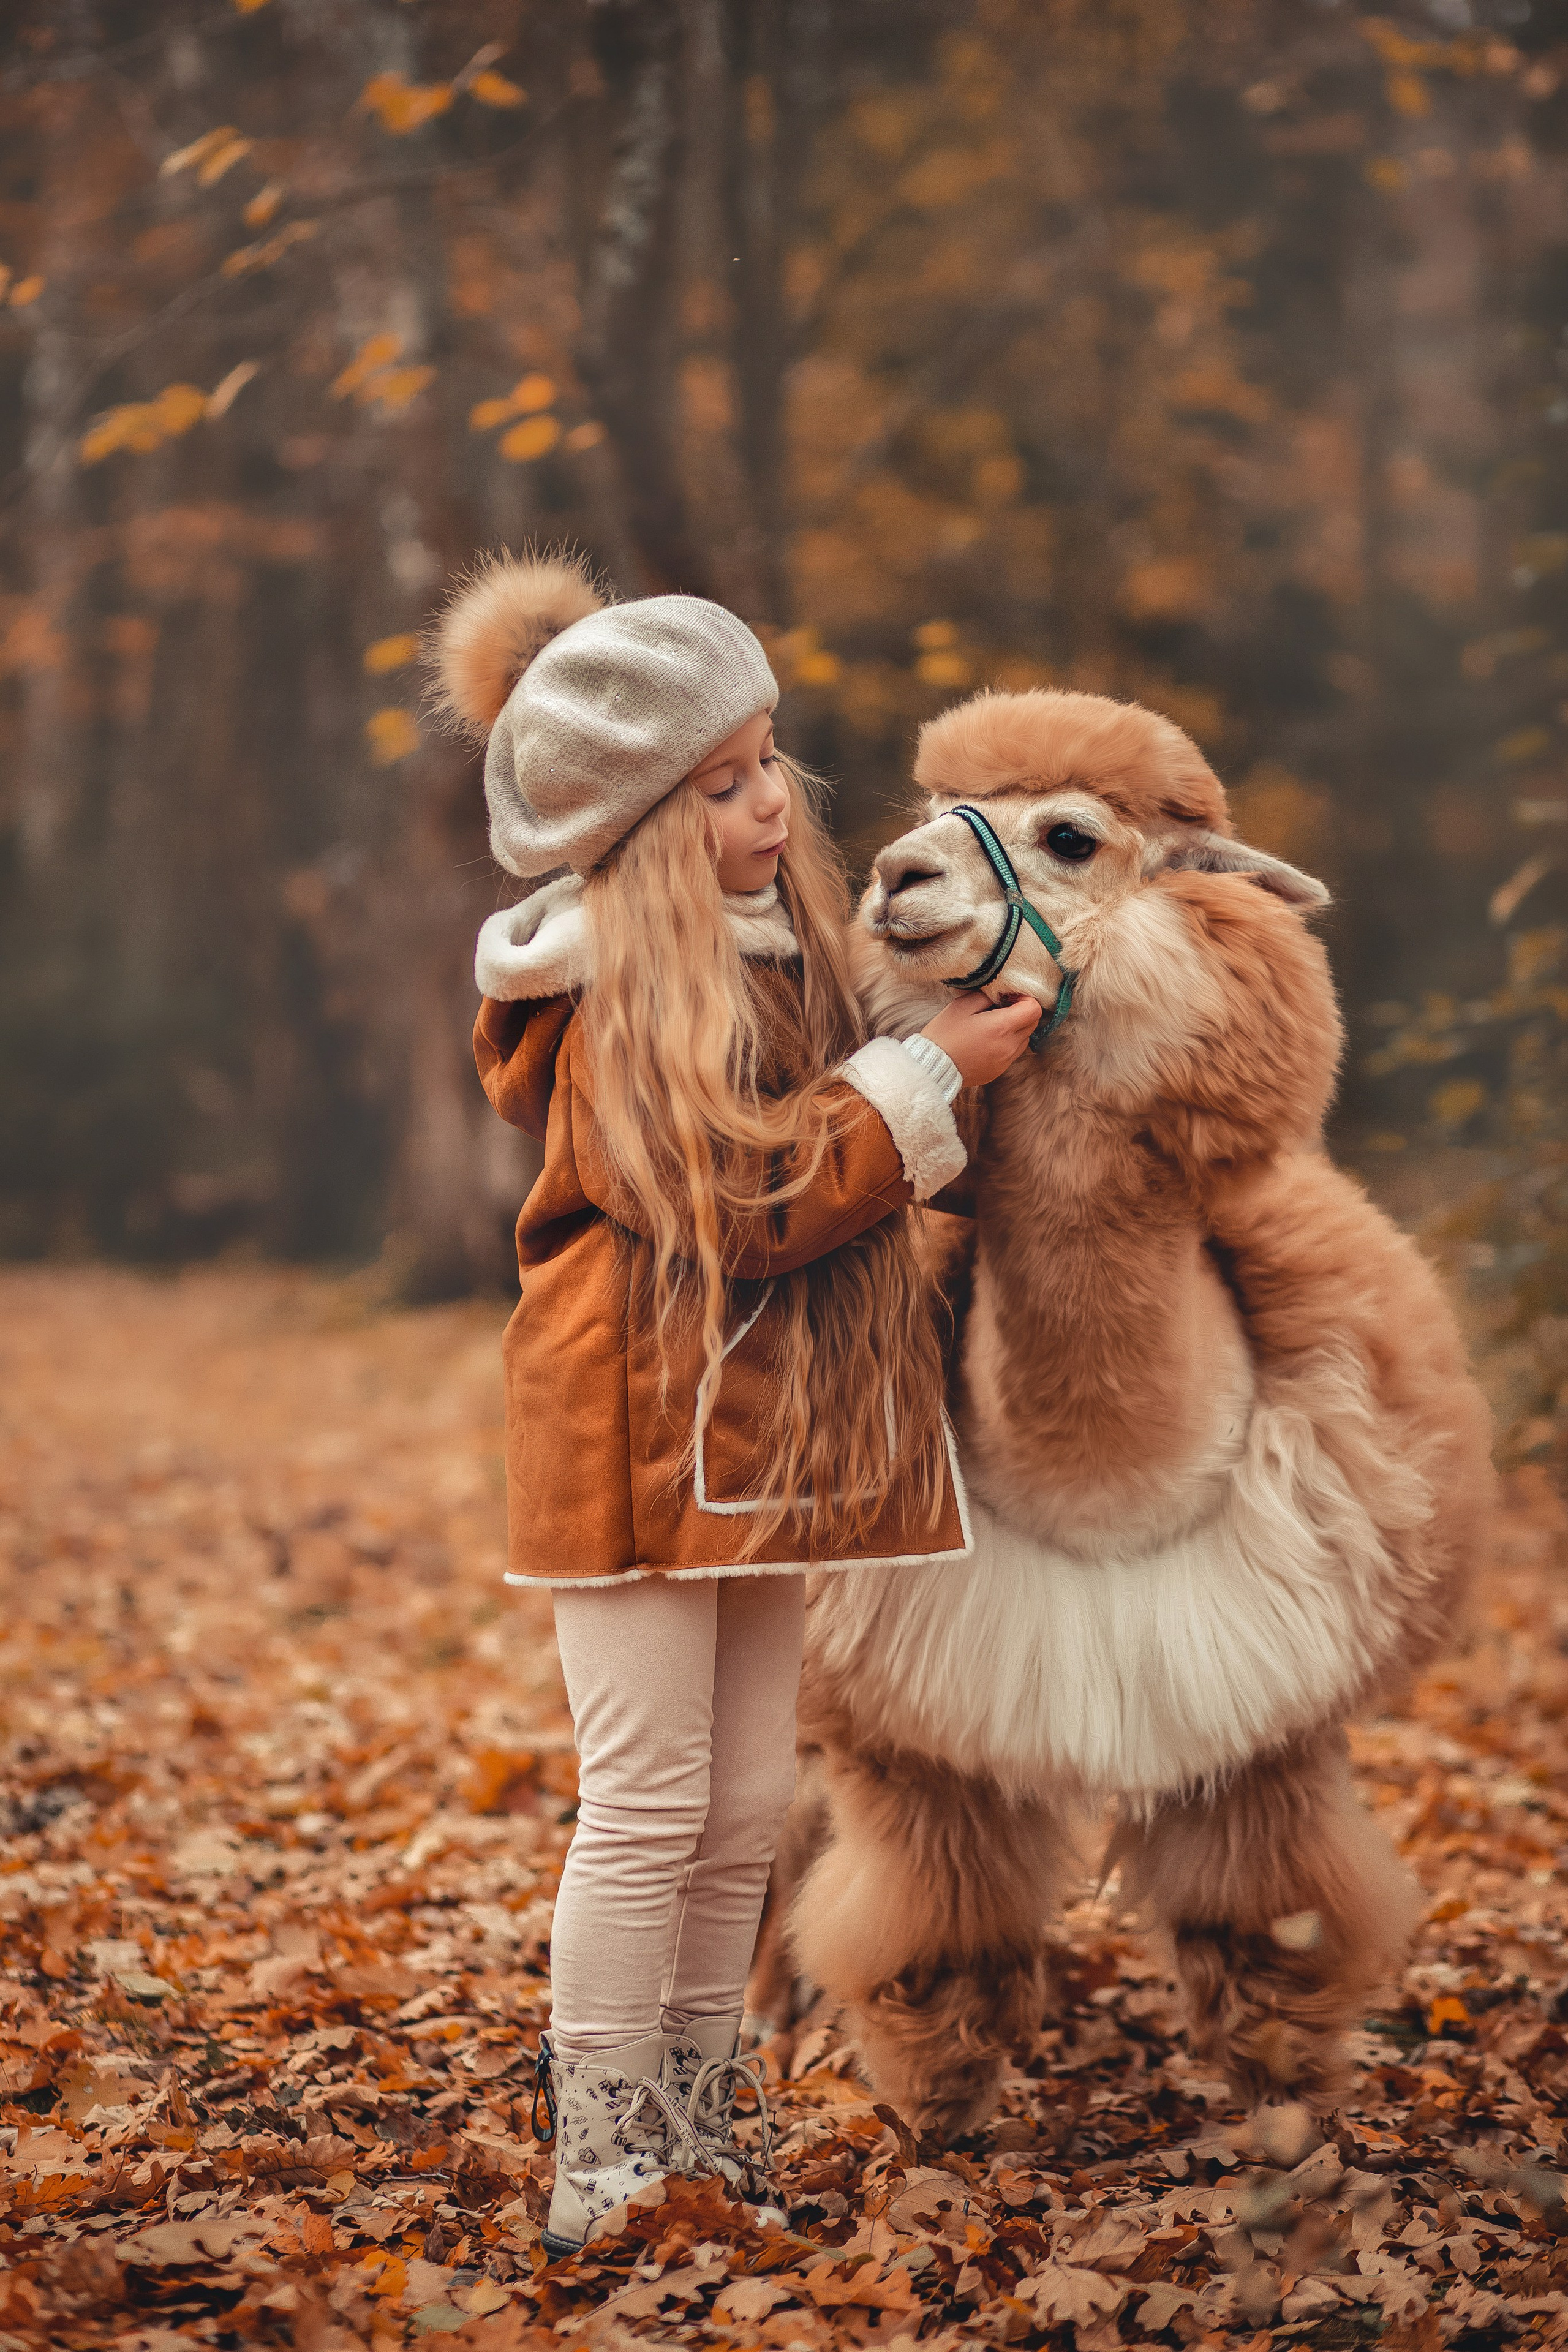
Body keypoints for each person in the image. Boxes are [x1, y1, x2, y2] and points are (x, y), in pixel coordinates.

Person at [429, 551, 1038, 2255]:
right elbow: (746, 1200)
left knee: (750, 1808)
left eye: (769, 762)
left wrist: (953, 1048)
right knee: (646, 1805)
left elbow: (845, 1135)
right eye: (721, 786)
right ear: (628, 826)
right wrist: (929, 1081)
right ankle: (601, 2148)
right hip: (632, 1439)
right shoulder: (608, 994)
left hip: (755, 1441)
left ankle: (701, 2126)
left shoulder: (776, 950)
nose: (771, 803)